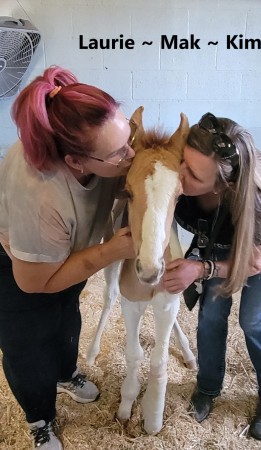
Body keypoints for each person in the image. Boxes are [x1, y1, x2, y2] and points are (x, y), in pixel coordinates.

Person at [0, 66, 136, 450]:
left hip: (69, 249)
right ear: (76, 161)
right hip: (19, 267)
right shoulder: (40, 194)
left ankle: (65, 372)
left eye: (128, 139)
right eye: (119, 153)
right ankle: (38, 416)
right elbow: (34, 282)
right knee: (27, 344)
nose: (130, 155)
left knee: (65, 317)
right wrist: (110, 251)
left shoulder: (98, 150)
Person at [162, 112, 261, 441]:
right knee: (210, 314)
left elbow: (253, 264)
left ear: (223, 186)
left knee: (254, 319)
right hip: (218, 236)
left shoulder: (258, 203)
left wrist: (202, 268)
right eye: (183, 161)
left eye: (193, 175)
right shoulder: (184, 175)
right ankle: (208, 387)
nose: (179, 175)